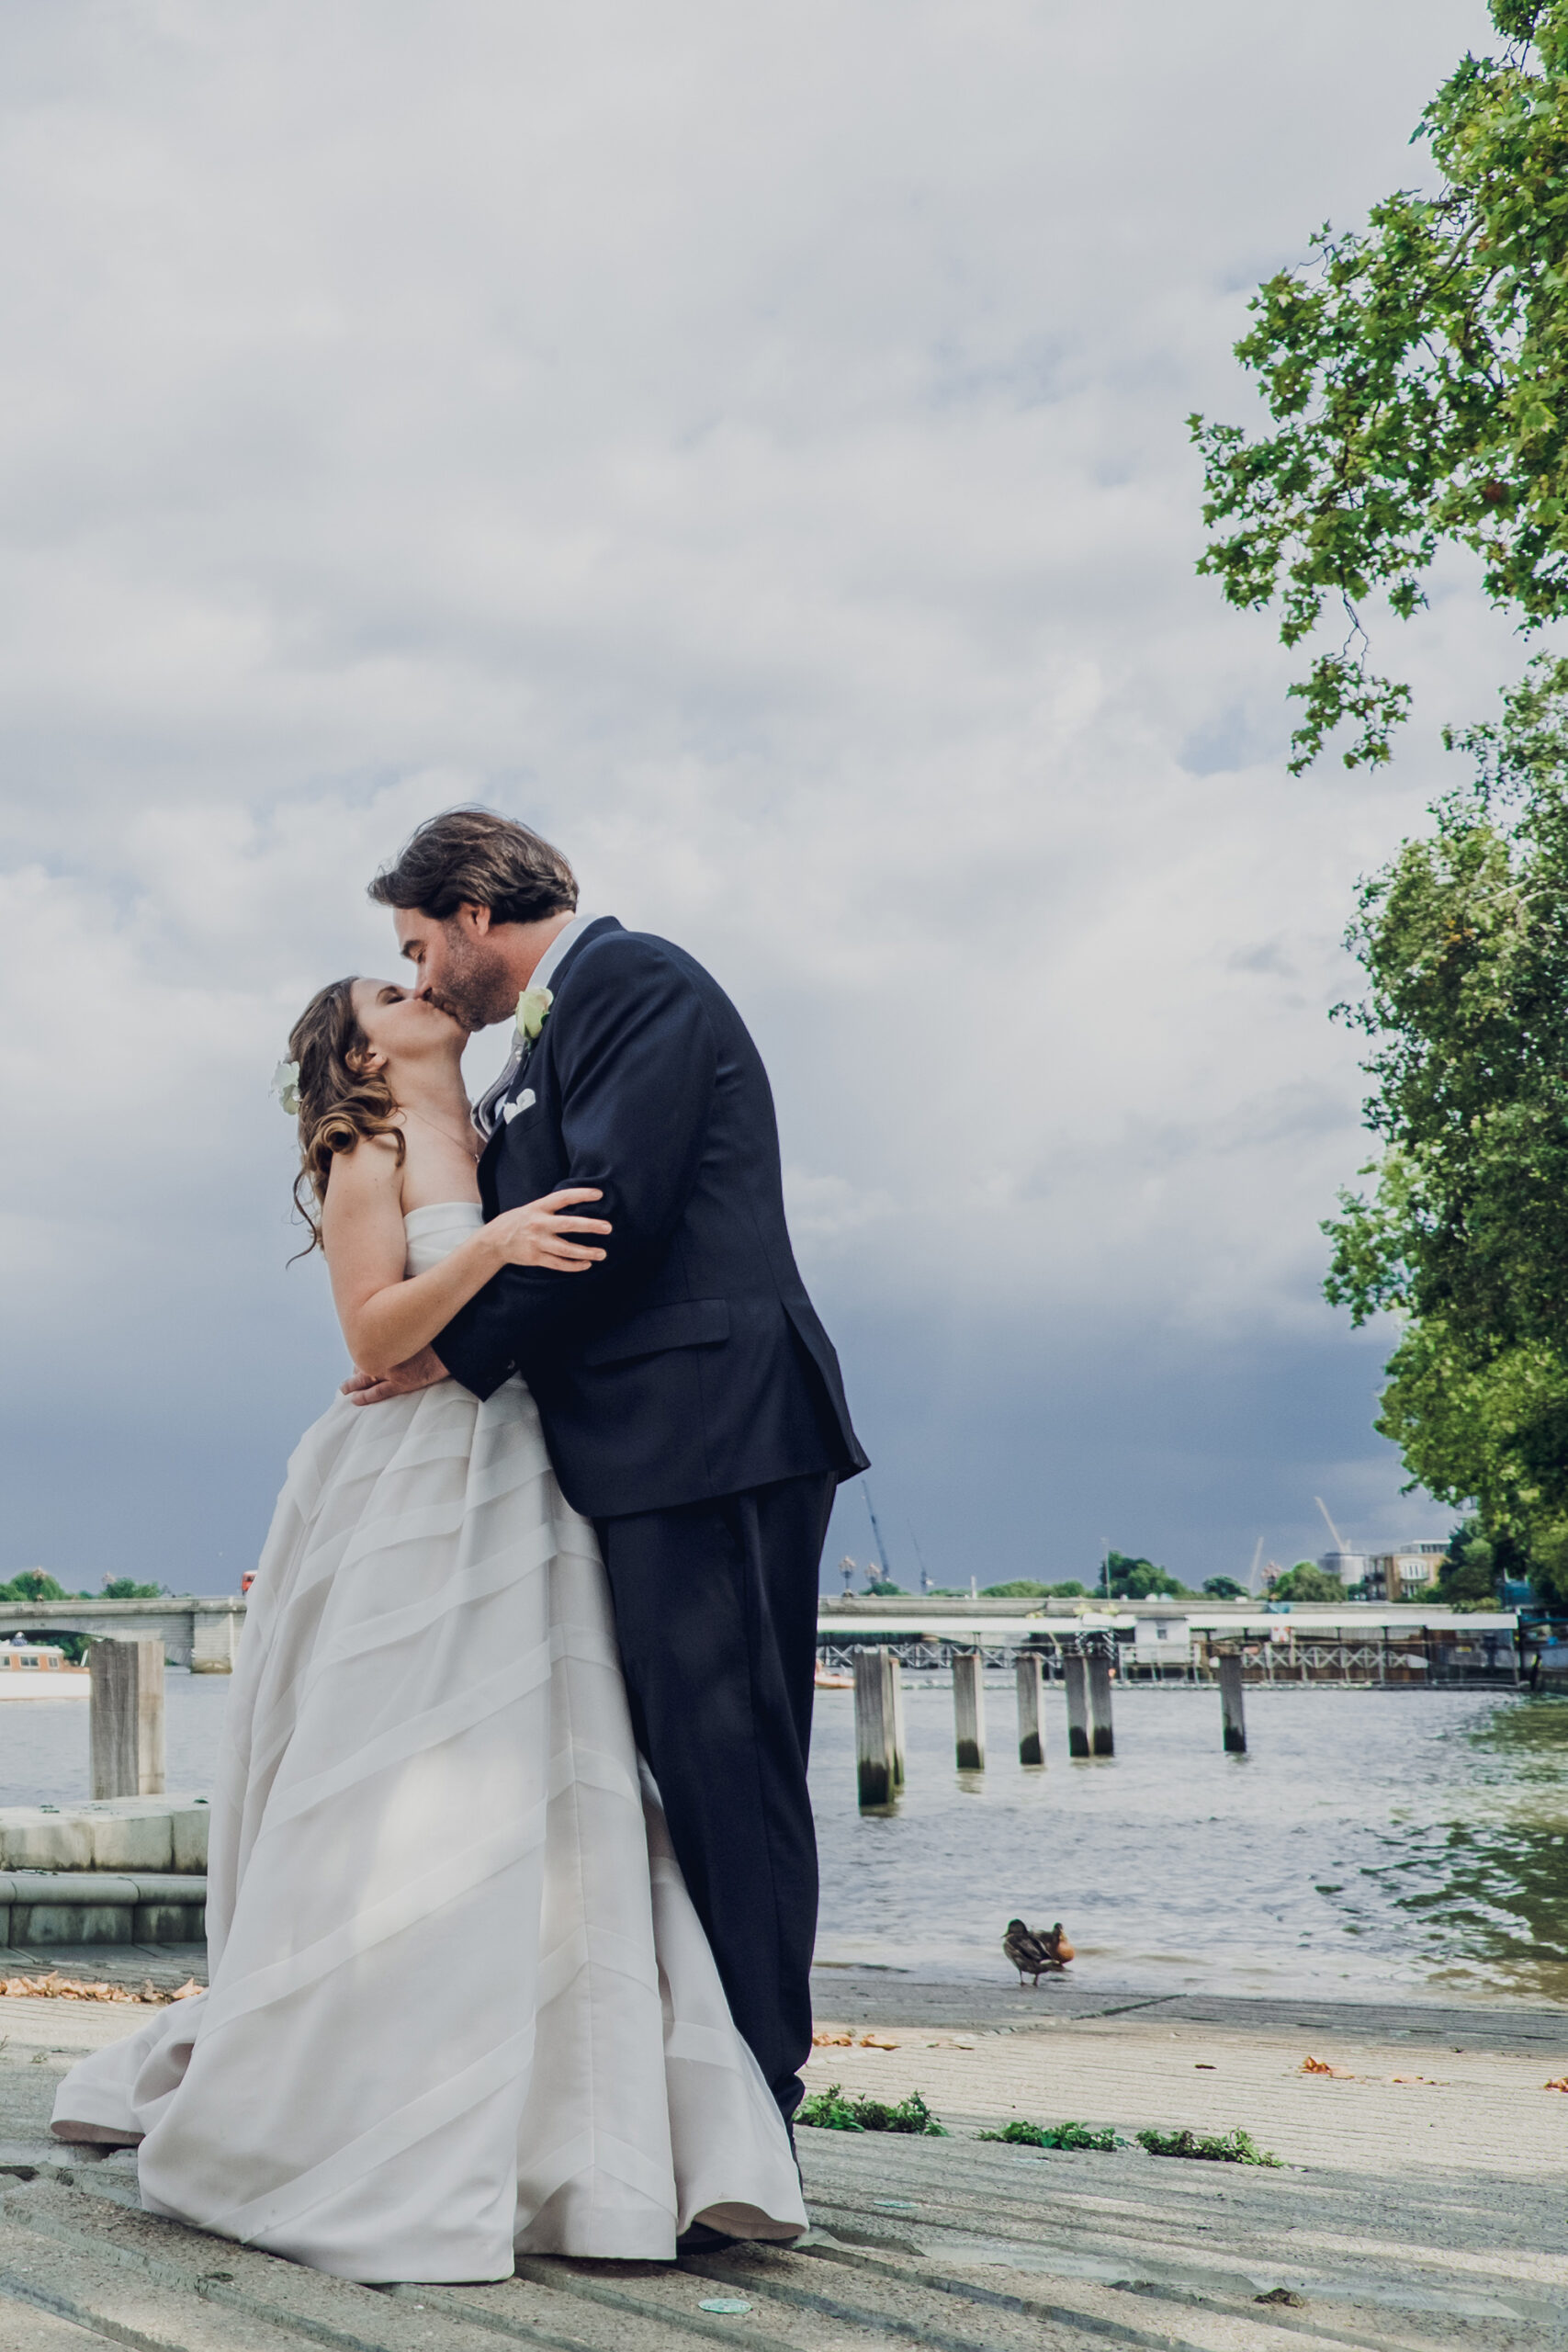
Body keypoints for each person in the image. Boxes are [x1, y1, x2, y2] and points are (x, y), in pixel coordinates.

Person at [51, 970, 807, 2279]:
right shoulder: (372, 1145)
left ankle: (580, 2121)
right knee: (402, 1762)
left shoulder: (511, 1127)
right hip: (414, 1476)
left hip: (531, 1472)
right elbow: (368, 1328)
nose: (423, 981)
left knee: (560, 1774)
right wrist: (492, 1250)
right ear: (360, 1044)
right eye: (390, 983)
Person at [348, 810, 867, 2142]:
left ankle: (763, 2102)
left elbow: (608, 1221)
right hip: (642, 1443)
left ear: (474, 912)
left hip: (712, 1426)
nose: (415, 979)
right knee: (679, 1765)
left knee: (729, 1761)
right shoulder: (539, 1046)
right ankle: (705, 2091)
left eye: (417, 944)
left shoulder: (635, 979)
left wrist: (447, 1358)